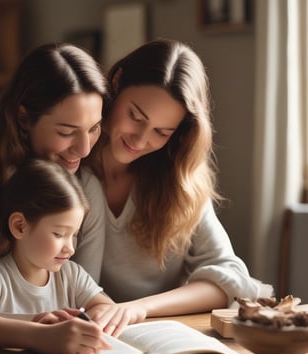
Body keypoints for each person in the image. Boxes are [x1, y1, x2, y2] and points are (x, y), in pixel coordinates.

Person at [0, 42, 112, 354]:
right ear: (24, 118)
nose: (84, 149)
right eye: (67, 131)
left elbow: (78, 303)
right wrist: (35, 333)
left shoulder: (85, 186)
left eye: (94, 129)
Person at [79, 38, 273, 326]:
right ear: (117, 83)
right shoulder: (71, 165)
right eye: (135, 116)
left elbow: (231, 275)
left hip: (156, 331)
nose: (141, 139)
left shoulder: (179, 181)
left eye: (161, 131)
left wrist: (137, 309)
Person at [0, 160, 120, 354]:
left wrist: (85, 322)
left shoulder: (71, 274)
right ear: (20, 226)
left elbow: (107, 308)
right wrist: (36, 325)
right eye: (59, 234)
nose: (70, 248)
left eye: (74, 235)